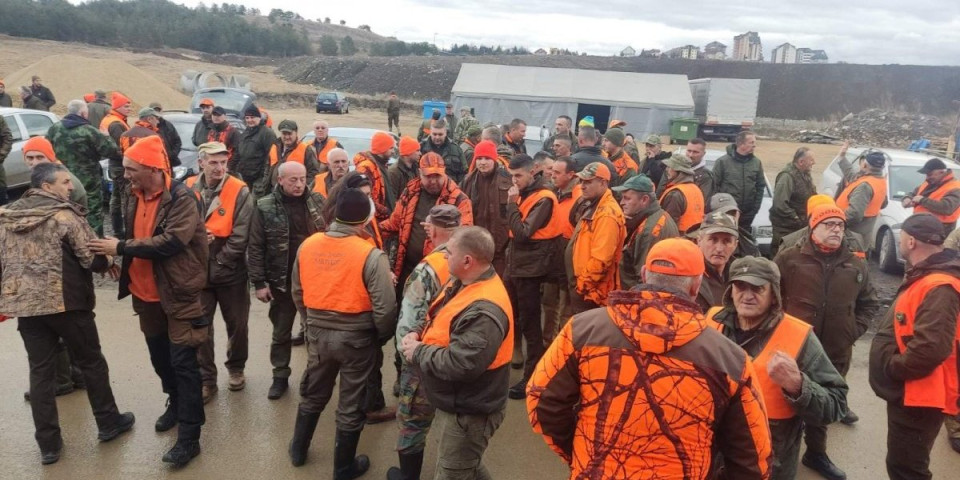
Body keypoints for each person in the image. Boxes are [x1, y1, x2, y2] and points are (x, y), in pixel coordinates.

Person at [528, 238, 773, 479]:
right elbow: (752, 456)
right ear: (696, 285)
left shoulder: (581, 329)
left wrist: (581, 454)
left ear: (644, 274)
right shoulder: (731, 359)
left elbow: (542, 401)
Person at [0, 163, 134, 465]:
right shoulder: (64, 215)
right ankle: (109, 422)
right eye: (64, 182)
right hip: (67, 304)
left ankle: (48, 445)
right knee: (91, 362)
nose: (70, 187)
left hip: (26, 307)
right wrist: (107, 261)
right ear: (47, 186)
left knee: (40, 372)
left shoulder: (6, 215)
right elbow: (90, 258)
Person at [88, 136, 208, 468]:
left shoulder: (184, 198)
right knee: (160, 359)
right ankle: (174, 403)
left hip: (178, 293)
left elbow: (170, 242)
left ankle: (189, 438)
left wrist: (121, 248)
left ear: (153, 168)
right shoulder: (131, 193)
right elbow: (133, 233)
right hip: (145, 294)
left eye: (131, 169)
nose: (124, 175)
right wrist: (117, 259)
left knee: (185, 365)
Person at [288, 188, 396, 478]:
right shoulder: (370, 254)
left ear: (335, 214)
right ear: (364, 221)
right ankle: (343, 467)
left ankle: (298, 450)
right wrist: (380, 337)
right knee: (350, 403)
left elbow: (297, 292)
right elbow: (385, 308)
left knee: (313, 390)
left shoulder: (308, 246)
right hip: (358, 339)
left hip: (318, 333)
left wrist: (311, 322)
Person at [708, 255, 847, 480]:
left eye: (758, 288)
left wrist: (799, 386)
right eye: (740, 286)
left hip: (768, 468)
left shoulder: (799, 337)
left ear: (774, 295)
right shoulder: (710, 322)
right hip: (711, 460)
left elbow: (837, 404)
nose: (747, 295)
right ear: (730, 290)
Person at [400, 226, 515, 480]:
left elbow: (462, 364)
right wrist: (418, 332)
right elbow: (440, 314)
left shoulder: (485, 311)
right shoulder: (464, 281)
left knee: (452, 471)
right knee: (467, 466)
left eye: (448, 253)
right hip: (460, 403)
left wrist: (419, 352)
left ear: (467, 260)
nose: (443, 256)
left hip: (471, 412)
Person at [775, 204, 879, 479]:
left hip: (835, 349)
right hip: (794, 348)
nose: (837, 230)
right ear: (813, 228)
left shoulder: (855, 263)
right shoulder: (789, 259)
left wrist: (851, 331)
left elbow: (869, 303)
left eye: (841, 226)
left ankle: (816, 453)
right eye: (829, 225)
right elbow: (770, 299)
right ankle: (779, 455)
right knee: (784, 402)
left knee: (822, 403)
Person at [869, 213, 960, 480]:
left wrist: (892, 368)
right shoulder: (930, 275)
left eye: (903, 236)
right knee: (903, 465)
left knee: (907, 470)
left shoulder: (939, 285)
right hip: (913, 392)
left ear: (910, 242)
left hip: (919, 395)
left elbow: (931, 348)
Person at [387, 205, 460, 480]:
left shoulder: (430, 267)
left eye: (427, 225)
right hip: (457, 354)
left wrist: (405, 356)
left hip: (425, 355)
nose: (425, 229)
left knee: (412, 421)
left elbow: (410, 317)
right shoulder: (472, 257)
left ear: (434, 229)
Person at [248, 162, 326, 399]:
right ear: (280, 180)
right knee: (281, 333)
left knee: (317, 333)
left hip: (314, 281)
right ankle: (280, 376)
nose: (299, 184)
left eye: (302, 179)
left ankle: (315, 378)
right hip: (281, 282)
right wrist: (259, 283)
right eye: (293, 180)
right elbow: (255, 246)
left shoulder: (318, 201)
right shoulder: (264, 206)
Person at [185, 142, 254, 403]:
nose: (219, 167)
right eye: (213, 162)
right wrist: (197, 239)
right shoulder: (189, 186)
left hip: (230, 268)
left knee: (238, 325)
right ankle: (207, 380)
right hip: (198, 267)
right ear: (201, 162)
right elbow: (176, 223)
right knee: (200, 328)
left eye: (223, 162)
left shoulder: (239, 189)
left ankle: (236, 368)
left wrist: (222, 261)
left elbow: (242, 234)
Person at [504, 154, 565, 400]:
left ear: (534, 171)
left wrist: (510, 204)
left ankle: (532, 378)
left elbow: (522, 233)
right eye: (512, 176)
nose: (514, 180)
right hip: (519, 266)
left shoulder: (544, 198)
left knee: (531, 326)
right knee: (519, 318)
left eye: (518, 175)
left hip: (531, 269)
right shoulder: (528, 193)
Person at [380, 152, 473, 285]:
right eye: (428, 176)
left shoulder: (459, 200)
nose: (433, 181)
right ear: (419, 173)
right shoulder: (411, 191)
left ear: (445, 172)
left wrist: (441, 232)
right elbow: (394, 223)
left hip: (438, 272)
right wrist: (371, 231)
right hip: (407, 268)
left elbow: (465, 239)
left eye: (437, 176)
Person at [46, 99, 120, 235]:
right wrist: (107, 137)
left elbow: (47, 150)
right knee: (92, 211)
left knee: (65, 209)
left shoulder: (54, 129)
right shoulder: (89, 131)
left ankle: (71, 240)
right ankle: (95, 242)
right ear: (83, 113)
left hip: (62, 178)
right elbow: (112, 151)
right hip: (88, 179)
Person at [565, 162, 626, 314]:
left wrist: (582, 286)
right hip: (586, 289)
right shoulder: (595, 205)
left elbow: (601, 260)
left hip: (592, 294)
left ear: (603, 183)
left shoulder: (607, 214)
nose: (582, 186)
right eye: (582, 182)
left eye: (588, 182)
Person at [540, 156, 583, 343]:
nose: (552, 175)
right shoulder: (553, 192)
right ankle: (547, 341)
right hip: (552, 253)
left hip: (569, 256)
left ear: (571, 175)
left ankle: (562, 347)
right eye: (552, 171)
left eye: (557, 172)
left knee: (566, 306)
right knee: (549, 302)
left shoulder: (580, 198)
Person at [614, 174, 679, 289]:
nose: (622, 203)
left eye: (627, 198)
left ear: (644, 200)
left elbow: (644, 279)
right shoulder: (658, 216)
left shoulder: (650, 231)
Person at [460, 140, 511, 275]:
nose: (482, 162)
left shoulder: (508, 179)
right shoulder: (468, 180)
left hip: (501, 245)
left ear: (494, 159)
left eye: (487, 158)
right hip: (476, 243)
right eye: (479, 158)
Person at [835, 149, 888, 252]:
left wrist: (835, 222)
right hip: (861, 235)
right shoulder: (879, 181)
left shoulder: (865, 186)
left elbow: (854, 214)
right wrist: (842, 157)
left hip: (851, 237)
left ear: (864, 165)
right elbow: (883, 203)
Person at [713, 131, 766, 230]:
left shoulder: (756, 163)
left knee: (745, 243)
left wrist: (755, 209)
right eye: (751, 142)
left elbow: (760, 186)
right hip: (727, 213)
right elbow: (714, 187)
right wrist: (720, 209)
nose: (754, 145)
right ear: (741, 144)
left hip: (748, 214)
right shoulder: (722, 162)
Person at [771, 147, 818, 257]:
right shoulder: (787, 176)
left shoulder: (805, 175)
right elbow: (780, 204)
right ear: (801, 162)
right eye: (811, 160)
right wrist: (796, 218)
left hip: (800, 227)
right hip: (786, 229)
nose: (814, 163)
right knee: (782, 257)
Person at [101, 92, 133, 237]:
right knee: (125, 198)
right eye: (126, 106)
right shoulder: (116, 124)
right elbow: (119, 148)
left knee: (116, 197)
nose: (129, 109)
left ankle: (117, 229)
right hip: (120, 165)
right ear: (118, 107)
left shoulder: (111, 119)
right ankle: (125, 231)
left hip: (115, 165)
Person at [21, 136, 87, 205]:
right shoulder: (43, 175)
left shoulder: (62, 179)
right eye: (30, 158)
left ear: (51, 159)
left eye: (40, 157)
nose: (35, 163)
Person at [903, 158, 960, 235]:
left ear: (941, 172)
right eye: (926, 175)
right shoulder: (930, 182)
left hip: (940, 230)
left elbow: (947, 208)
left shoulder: (955, 187)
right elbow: (913, 193)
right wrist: (907, 198)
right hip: (921, 225)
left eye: (930, 174)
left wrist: (922, 200)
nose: (927, 177)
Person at [696, 210, 739, 311]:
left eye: (727, 241)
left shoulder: (741, 276)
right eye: (713, 240)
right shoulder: (688, 276)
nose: (719, 248)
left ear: (735, 245)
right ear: (699, 241)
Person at [263, 120, 321, 193]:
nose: (287, 137)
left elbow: (313, 174)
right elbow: (267, 169)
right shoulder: (274, 147)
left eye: (289, 134)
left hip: (294, 193)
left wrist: (301, 188)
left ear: (296, 133)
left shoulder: (305, 149)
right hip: (273, 191)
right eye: (284, 134)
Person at [233, 105, 278, 196]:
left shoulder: (267, 133)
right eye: (247, 118)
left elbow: (271, 158)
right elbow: (238, 153)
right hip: (244, 177)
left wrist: (263, 178)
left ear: (259, 117)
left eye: (252, 117)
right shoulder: (246, 132)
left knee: (256, 206)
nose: (249, 120)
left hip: (258, 180)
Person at [658, 153, 705, 234]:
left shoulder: (675, 194)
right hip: (695, 238)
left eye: (670, 167)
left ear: (679, 172)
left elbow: (668, 227)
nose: (667, 170)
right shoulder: (696, 189)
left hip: (678, 240)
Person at [354, 131, 397, 220]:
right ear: (383, 148)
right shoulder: (366, 168)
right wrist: (386, 212)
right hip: (373, 219)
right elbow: (365, 198)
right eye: (391, 148)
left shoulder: (381, 165)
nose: (393, 152)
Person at [707, 193, 761, 259]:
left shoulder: (749, 246)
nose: (730, 218)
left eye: (733, 214)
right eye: (724, 214)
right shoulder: (694, 245)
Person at [421, 119, 466, 184]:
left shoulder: (456, 149)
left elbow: (464, 172)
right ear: (430, 133)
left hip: (450, 190)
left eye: (440, 134)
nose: (437, 137)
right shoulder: (422, 148)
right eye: (434, 134)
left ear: (445, 133)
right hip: (428, 188)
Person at [388, 136, 421, 201]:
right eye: (417, 150)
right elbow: (392, 200)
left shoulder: (416, 168)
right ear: (408, 152)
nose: (420, 153)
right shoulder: (393, 172)